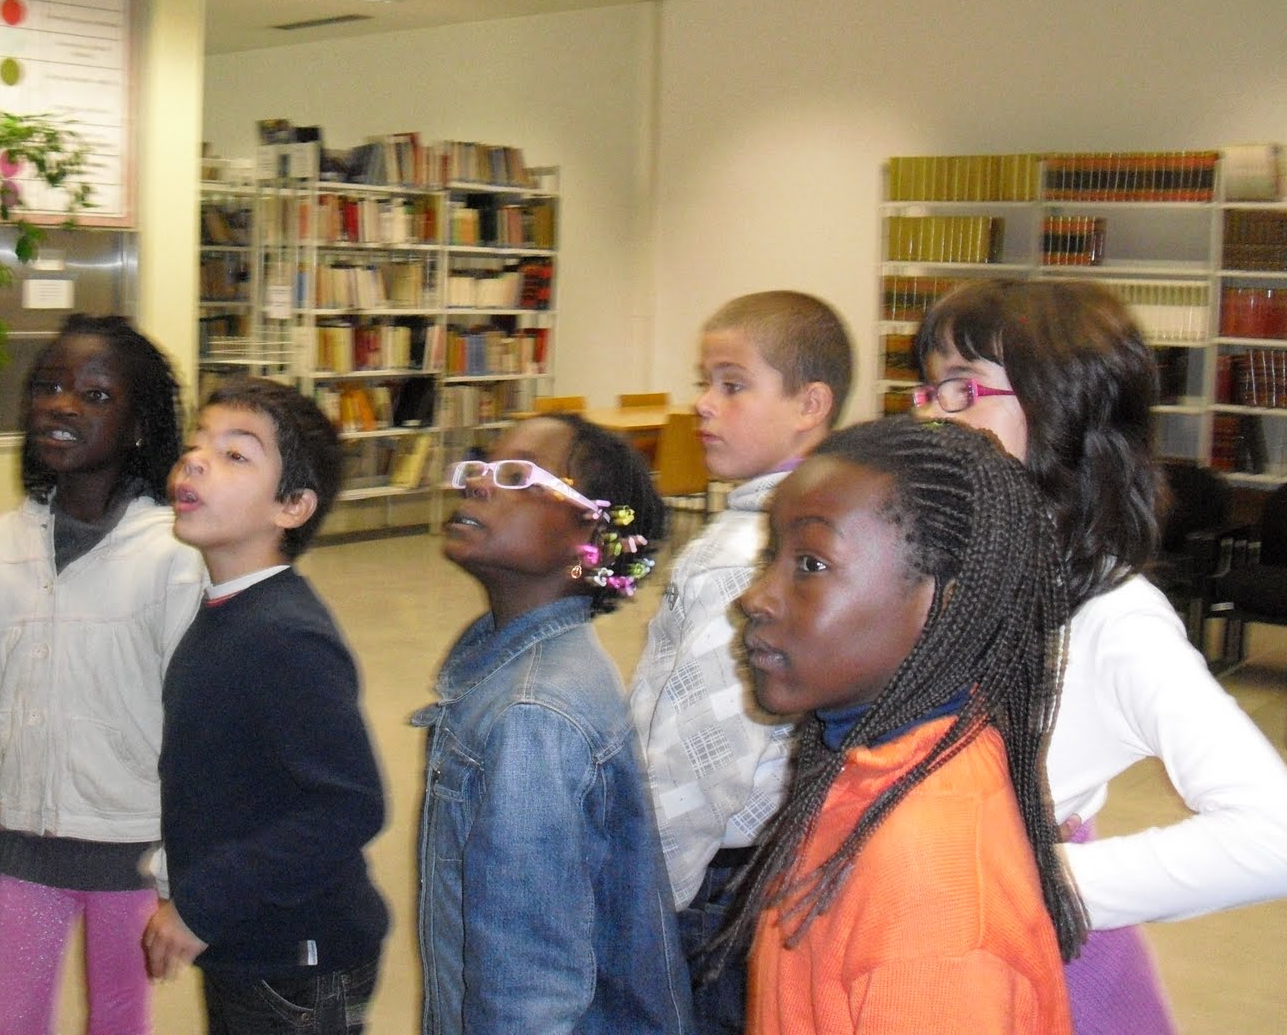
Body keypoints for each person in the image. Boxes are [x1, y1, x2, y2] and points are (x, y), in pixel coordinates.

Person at [915, 278, 1287, 1034]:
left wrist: (1024, 882)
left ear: (1061, 410)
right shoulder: (964, 565)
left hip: (1043, 971)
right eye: (930, 391)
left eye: (964, 388)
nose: (934, 415)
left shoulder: (1114, 615)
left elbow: (1277, 837)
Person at [722, 415, 1085, 1034]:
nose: (754, 598)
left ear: (944, 599)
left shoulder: (932, 901)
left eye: (810, 564)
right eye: (770, 557)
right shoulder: (879, 756)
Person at [0, 314, 205, 1035]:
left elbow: (196, 731)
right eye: (48, 387)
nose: (62, 405)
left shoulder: (176, 557)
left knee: (119, 1019)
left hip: (133, 853)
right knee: (11, 1021)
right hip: (26, 849)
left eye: (95, 395)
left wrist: (181, 871)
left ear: (139, 425)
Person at [419, 413, 694, 1035]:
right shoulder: (524, 670)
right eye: (482, 466)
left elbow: (526, 987)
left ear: (588, 533)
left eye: (518, 475)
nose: (479, 483)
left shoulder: (532, 716)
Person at [627, 290, 852, 1030]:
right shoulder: (830, 524)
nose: (703, 404)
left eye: (732, 385)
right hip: (776, 862)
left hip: (707, 888)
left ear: (808, 404)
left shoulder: (743, 559)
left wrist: (635, 909)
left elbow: (697, 763)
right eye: (705, 383)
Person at [143, 377, 388, 1035]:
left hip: (296, 965)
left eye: (235, 454)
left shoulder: (285, 636)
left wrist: (202, 903)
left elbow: (349, 805)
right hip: (248, 940)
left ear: (293, 506)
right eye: (197, 443)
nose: (196, 460)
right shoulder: (229, 610)